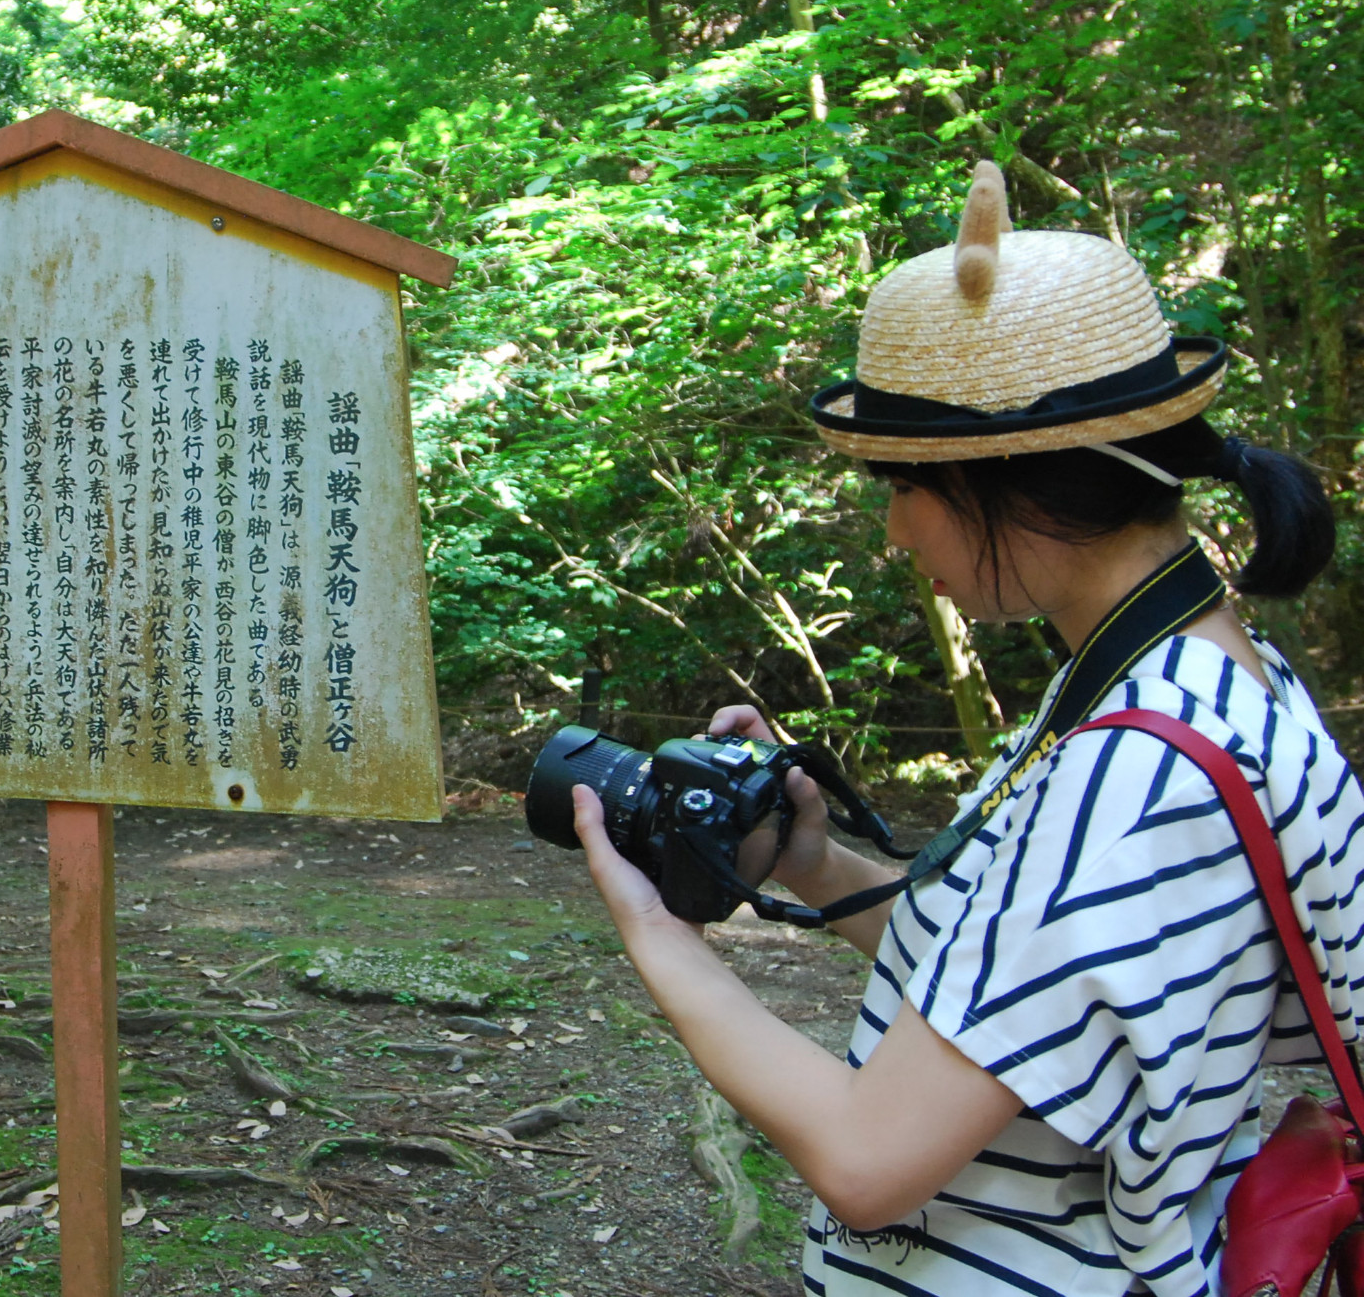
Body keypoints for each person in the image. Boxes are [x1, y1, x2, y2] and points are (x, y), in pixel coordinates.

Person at [572, 161, 1364, 1296]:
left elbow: (865, 1159)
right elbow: (1036, 985)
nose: (895, 529)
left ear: (1018, 481)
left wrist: (656, 935)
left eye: (906, 483)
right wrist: (812, 863)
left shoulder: (1137, 773)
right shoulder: (1192, 678)